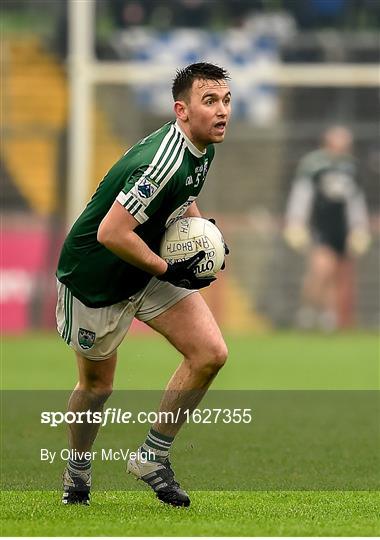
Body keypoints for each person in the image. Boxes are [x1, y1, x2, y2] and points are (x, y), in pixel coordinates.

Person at [56, 62, 232, 507]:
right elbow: (111, 232)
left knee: (210, 353)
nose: (222, 110)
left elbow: (186, 197)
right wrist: (165, 268)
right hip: (97, 276)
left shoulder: (203, 146)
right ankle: (77, 468)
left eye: (226, 100)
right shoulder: (162, 163)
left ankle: (152, 456)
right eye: (209, 101)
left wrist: (204, 238)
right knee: (98, 388)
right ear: (182, 110)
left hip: (149, 262)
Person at [284, 126, 371, 331]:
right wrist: (296, 222)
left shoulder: (351, 167)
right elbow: (301, 196)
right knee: (321, 269)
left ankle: (327, 317)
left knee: (335, 274)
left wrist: (359, 228)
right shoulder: (314, 166)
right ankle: (308, 312)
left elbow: (356, 202)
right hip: (320, 224)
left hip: (341, 227)